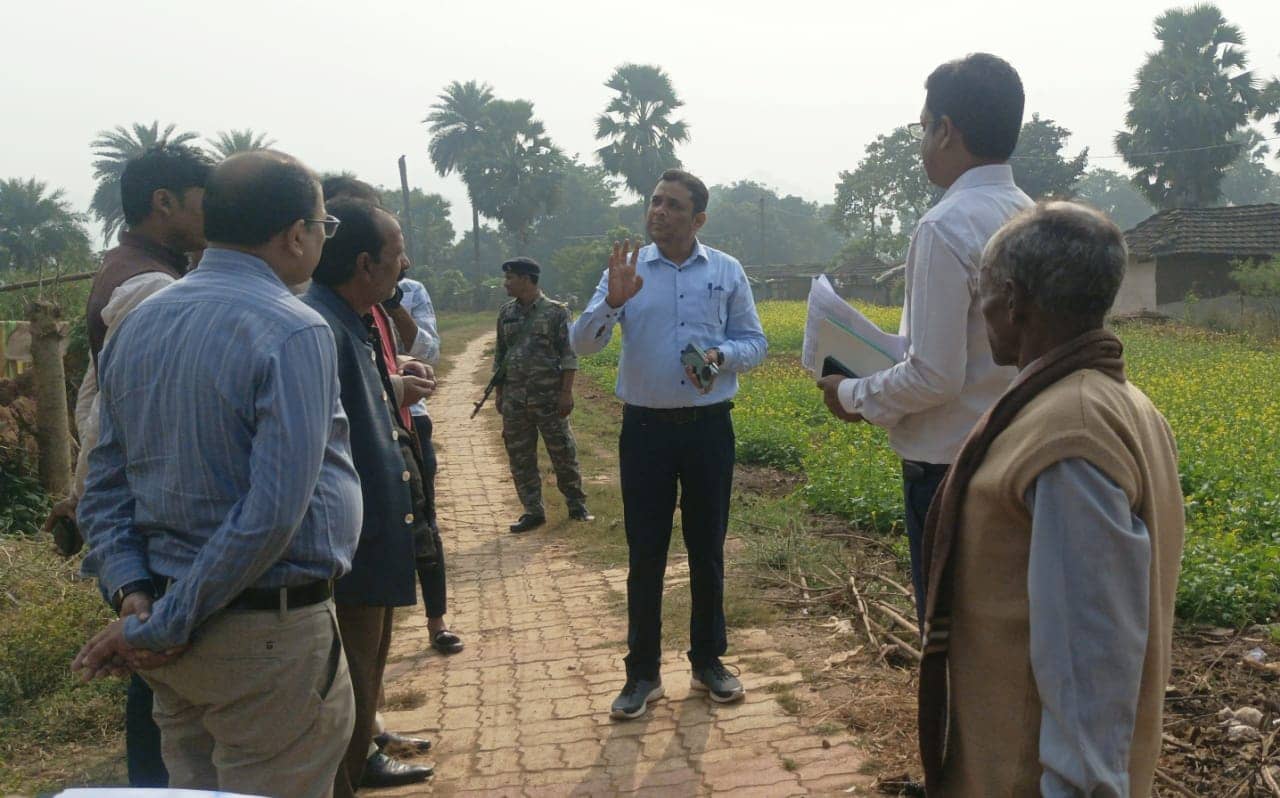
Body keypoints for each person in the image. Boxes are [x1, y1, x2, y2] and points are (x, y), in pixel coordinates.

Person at [74, 150, 361, 798]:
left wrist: (135, 595)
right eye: (324, 226)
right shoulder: (294, 330)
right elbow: (272, 514)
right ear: (296, 234)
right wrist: (166, 619)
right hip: (262, 640)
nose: (321, 239)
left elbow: (104, 483)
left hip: (175, 645)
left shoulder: (140, 322)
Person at [916, 202, 1184, 796]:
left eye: (983, 293)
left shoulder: (1071, 431)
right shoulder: (1117, 403)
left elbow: (1089, 659)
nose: (981, 308)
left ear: (1012, 298)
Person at [817, 53, 1033, 625]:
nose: (921, 146)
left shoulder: (945, 225)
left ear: (946, 130)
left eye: (923, 128)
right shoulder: (1028, 214)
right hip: (1021, 459)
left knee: (953, 640)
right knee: (1004, 638)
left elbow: (936, 374)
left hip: (950, 473)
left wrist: (850, 395)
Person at [41, 143, 212, 788]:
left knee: (158, 662)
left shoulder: (133, 269)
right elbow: (142, 413)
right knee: (159, 657)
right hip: (147, 500)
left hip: (130, 497)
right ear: (163, 203)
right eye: (201, 201)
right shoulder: (148, 288)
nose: (211, 214)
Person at [570, 169, 767, 720]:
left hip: (708, 429)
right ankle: (643, 674)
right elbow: (582, 344)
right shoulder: (627, 272)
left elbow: (755, 341)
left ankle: (708, 662)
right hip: (646, 431)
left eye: (673, 205)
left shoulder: (726, 270)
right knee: (646, 553)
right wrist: (611, 302)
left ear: (698, 219)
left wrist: (721, 357)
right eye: (654, 201)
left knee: (707, 550)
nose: (658, 211)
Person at [304, 197, 437, 794]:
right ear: (364, 263)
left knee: (365, 682)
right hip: (348, 552)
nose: (404, 261)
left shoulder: (349, 322)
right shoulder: (321, 329)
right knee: (349, 695)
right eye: (396, 250)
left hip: (373, 539)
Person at [494, 256, 593, 533]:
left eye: (510, 278)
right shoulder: (506, 313)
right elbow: (500, 355)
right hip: (515, 399)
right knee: (520, 456)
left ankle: (576, 505)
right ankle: (532, 510)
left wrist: (566, 393)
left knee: (562, 451)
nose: (506, 283)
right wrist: (500, 394)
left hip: (549, 397)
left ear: (527, 279)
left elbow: (568, 355)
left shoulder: (557, 312)